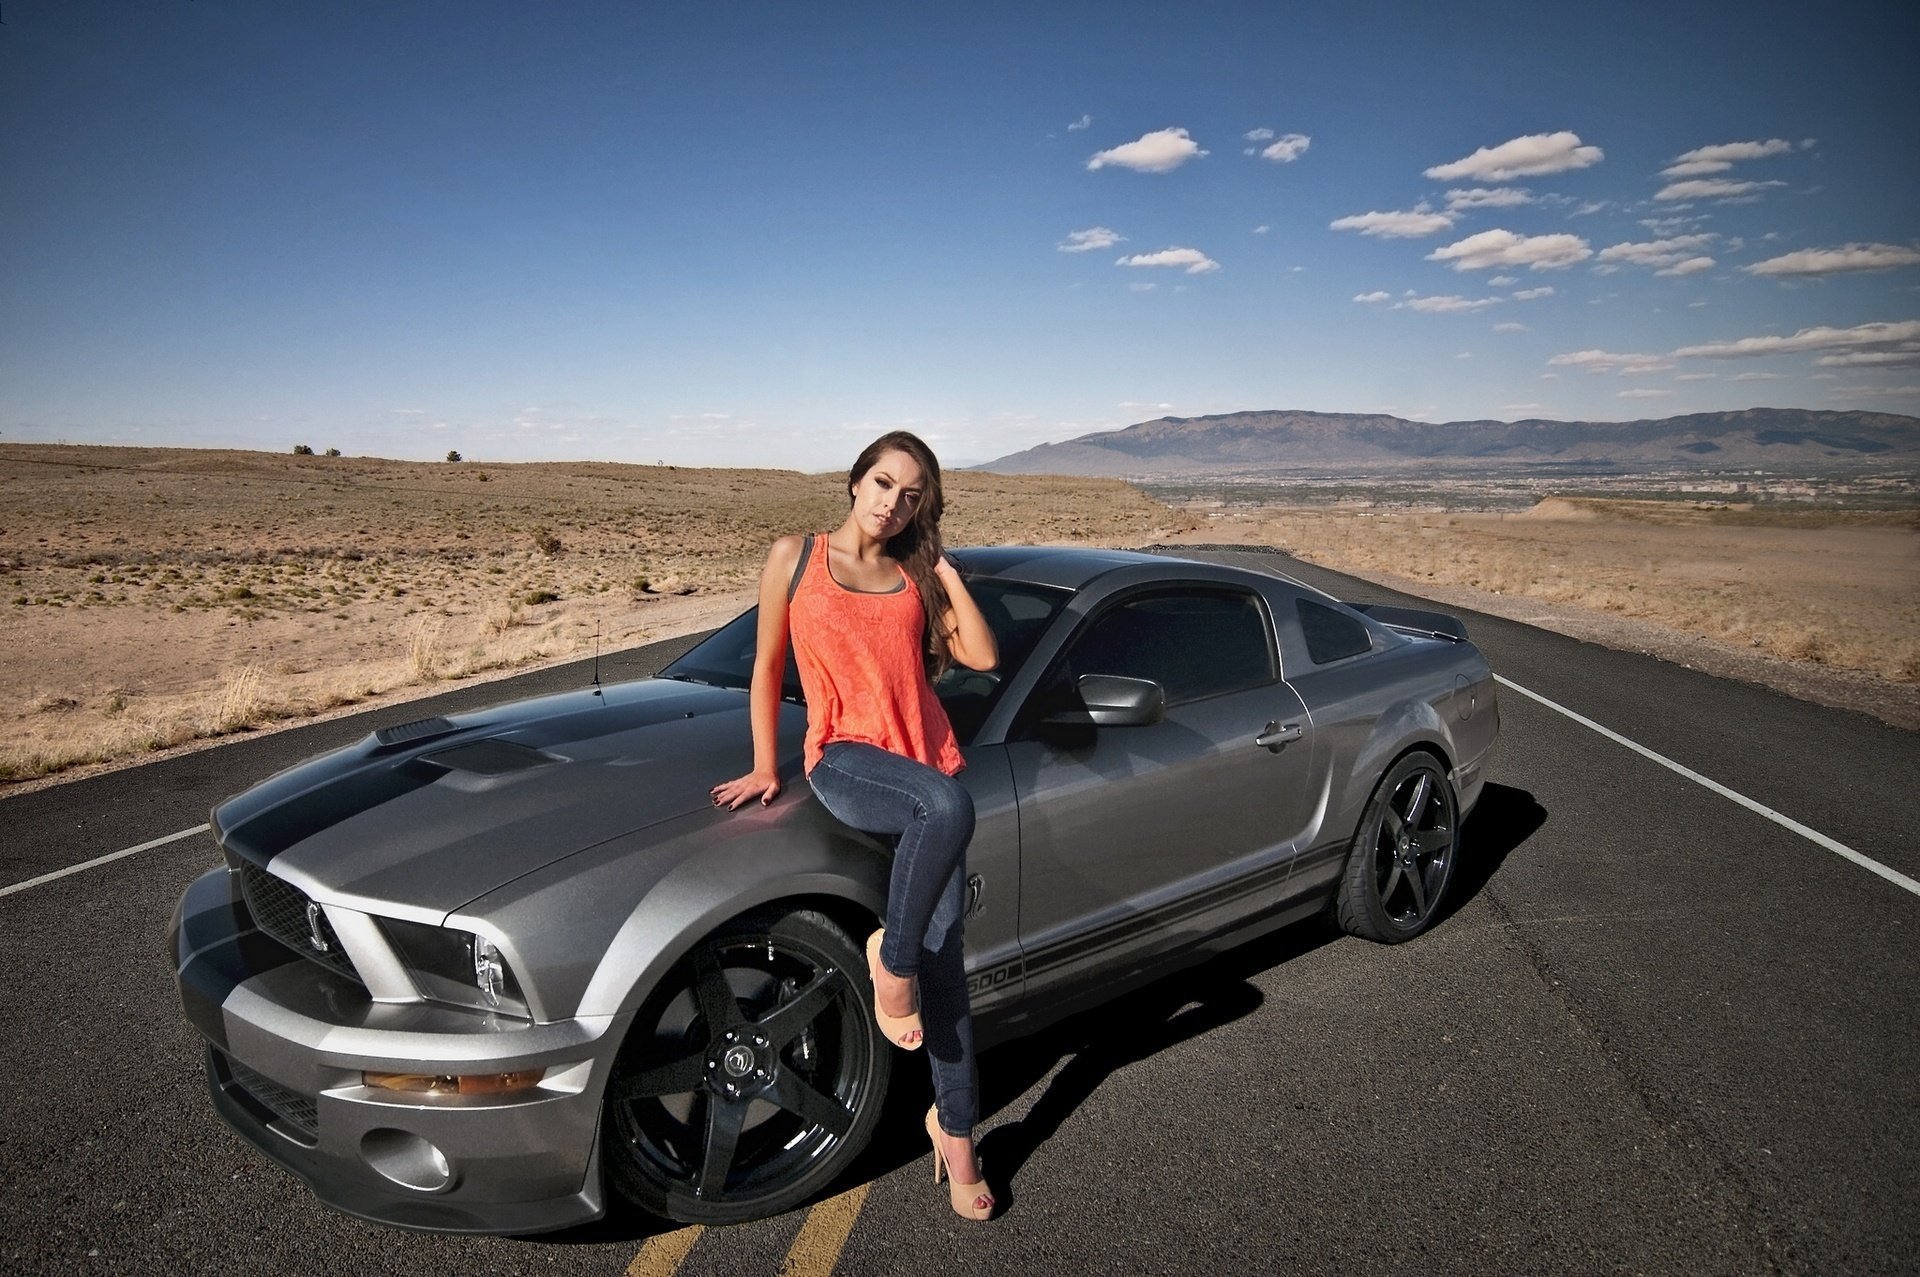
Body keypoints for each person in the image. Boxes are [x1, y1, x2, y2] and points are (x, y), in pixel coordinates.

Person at [709, 430, 1000, 1222]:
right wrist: (769, 764)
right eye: (882, 482)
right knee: (947, 809)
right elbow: (769, 663)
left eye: (912, 496)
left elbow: (979, 652)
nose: (891, 502)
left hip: (921, 760)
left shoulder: (911, 573)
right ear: (854, 480)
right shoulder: (795, 557)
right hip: (844, 757)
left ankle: (959, 1132)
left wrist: (941, 565)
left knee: (948, 970)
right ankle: (889, 962)